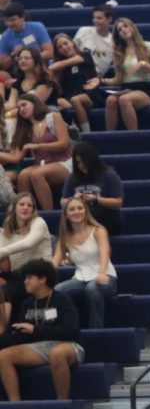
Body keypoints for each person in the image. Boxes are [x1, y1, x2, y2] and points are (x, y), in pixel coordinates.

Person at [0, 260, 82, 401]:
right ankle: (15, 404)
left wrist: (35, 330)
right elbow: (21, 337)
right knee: (3, 356)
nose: (25, 282)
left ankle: (62, 402)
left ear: (43, 279)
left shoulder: (62, 300)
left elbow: (70, 330)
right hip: (39, 347)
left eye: (29, 278)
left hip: (68, 344)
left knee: (57, 353)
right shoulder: (28, 304)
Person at [53, 196, 117, 331]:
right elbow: (54, 263)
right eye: (72, 209)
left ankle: (96, 331)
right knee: (57, 291)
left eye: (80, 208)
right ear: (66, 215)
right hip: (81, 279)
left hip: (106, 277)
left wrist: (102, 272)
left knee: (92, 288)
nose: (76, 212)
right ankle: (63, 330)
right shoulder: (64, 238)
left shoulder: (98, 230)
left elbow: (105, 251)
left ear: (86, 211)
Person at [7, 94, 71, 211]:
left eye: (24, 105)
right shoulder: (25, 128)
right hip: (42, 163)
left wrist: (39, 145)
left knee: (37, 174)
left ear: (35, 103)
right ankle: (26, 213)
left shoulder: (53, 117)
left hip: (63, 162)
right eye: (19, 107)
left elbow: (64, 144)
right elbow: (17, 158)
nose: (21, 109)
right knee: (23, 175)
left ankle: (49, 215)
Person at [101, 17, 150, 132]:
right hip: (126, 88)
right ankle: (109, 136)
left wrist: (143, 64)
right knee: (110, 100)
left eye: (125, 26)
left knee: (124, 100)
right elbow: (119, 80)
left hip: (143, 90)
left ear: (132, 27)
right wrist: (101, 81)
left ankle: (133, 135)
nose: (123, 30)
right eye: (120, 30)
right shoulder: (120, 52)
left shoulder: (148, 46)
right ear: (119, 35)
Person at [60, 141, 124, 236]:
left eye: (84, 162)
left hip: (105, 218)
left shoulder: (109, 175)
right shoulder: (73, 177)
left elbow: (118, 202)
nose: (81, 166)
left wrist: (97, 199)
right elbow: (63, 202)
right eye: (78, 163)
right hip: (80, 219)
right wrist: (73, 199)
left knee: (92, 212)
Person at [0, 193, 52, 311]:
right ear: (14, 208)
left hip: (37, 275)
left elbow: (29, 243)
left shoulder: (39, 222)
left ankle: (2, 329)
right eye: (21, 204)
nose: (25, 207)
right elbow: (5, 265)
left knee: (3, 294)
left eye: (29, 205)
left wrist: (2, 252)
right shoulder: (7, 229)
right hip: (14, 276)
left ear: (33, 210)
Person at [0, 3, 52, 73]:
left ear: (23, 17)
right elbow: (4, 65)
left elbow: (49, 52)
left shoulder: (37, 27)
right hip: (20, 72)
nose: (10, 24)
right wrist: (13, 55)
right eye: (7, 21)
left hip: (41, 68)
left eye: (13, 20)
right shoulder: (5, 36)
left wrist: (29, 59)